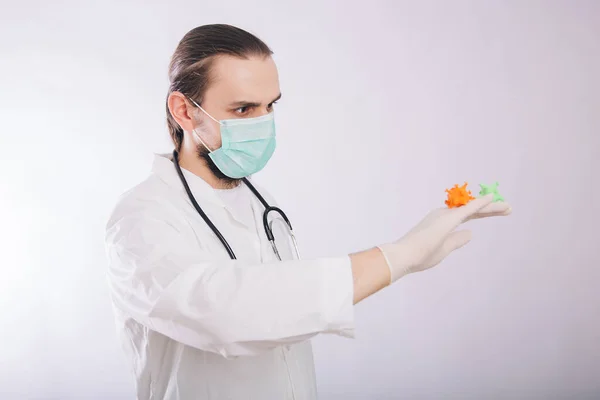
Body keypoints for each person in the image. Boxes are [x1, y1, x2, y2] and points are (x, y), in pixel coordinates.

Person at [105, 24, 512, 400]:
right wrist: (398, 257)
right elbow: (227, 314)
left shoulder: (260, 200)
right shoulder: (142, 218)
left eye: (271, 106)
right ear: (184, 110)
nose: (264, 123)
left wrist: (403, 260)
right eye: (244, 110)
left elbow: (286, 314)